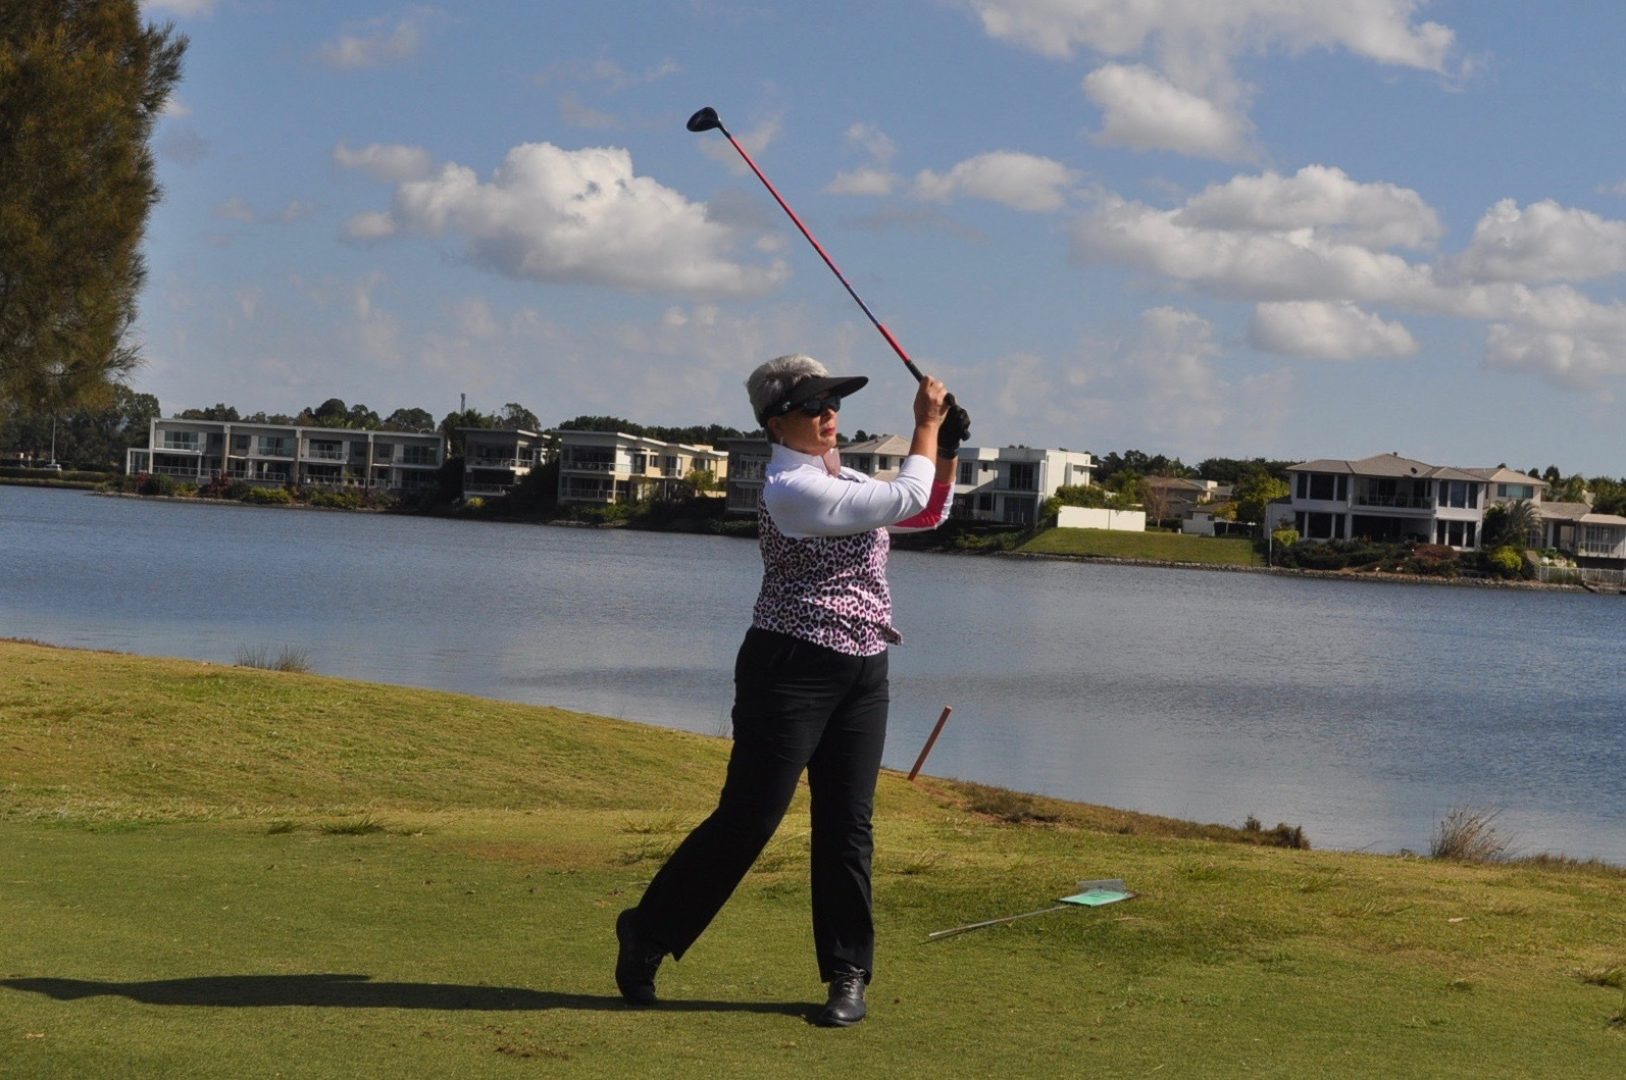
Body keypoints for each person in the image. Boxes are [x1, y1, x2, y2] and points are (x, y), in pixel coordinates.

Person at [614, 353, 969, 1027]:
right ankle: (648, 932)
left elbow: (924, 514)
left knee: (848, 825)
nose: (829, 413)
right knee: (750, 819)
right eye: (813, 406)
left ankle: (847, 972)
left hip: (863, 668)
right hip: (790, 667)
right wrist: (926, 423)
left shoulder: (841, 478)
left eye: (833, 402)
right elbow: (905, 497)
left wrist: (944, 447)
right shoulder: (790, 488)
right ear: (777, 422)